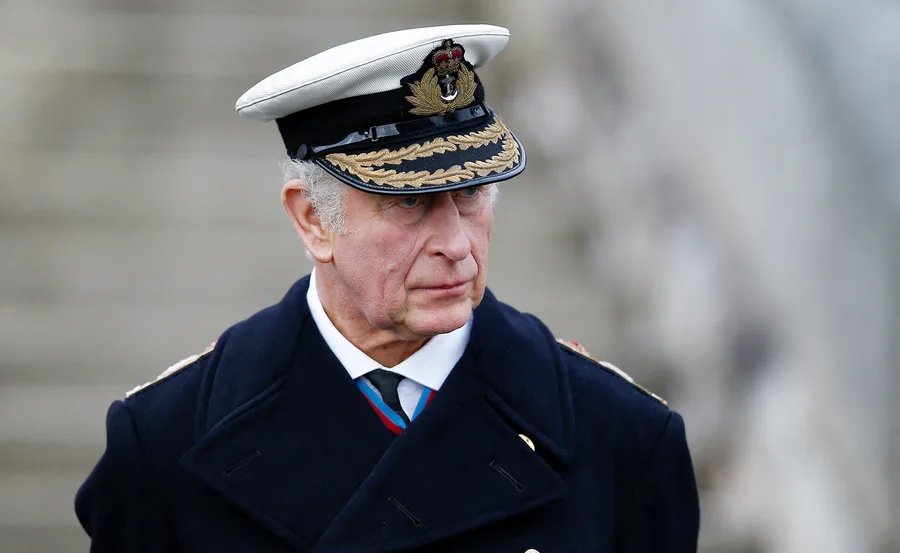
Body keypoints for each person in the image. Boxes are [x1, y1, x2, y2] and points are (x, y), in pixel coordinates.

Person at [75, 24, 700, 553]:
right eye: (413, 202)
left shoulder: (622, 437)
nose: (457, 244)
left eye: (471, 194)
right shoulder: (164, 440)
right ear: (313, 219)